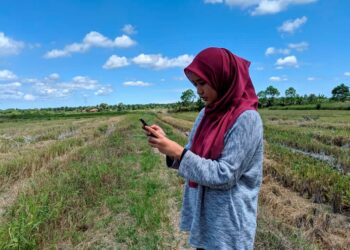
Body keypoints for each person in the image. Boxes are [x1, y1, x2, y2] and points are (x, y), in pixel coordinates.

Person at [144, 47, 263, 250]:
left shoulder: (246, 118)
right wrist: (166, 144)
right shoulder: (206, 113)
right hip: (205, 218)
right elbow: (192, 153)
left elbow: (225, 175)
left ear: (222, 78)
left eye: (202, 83)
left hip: (228, 225)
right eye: (194, 84)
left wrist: (177, 151)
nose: (198, 91)